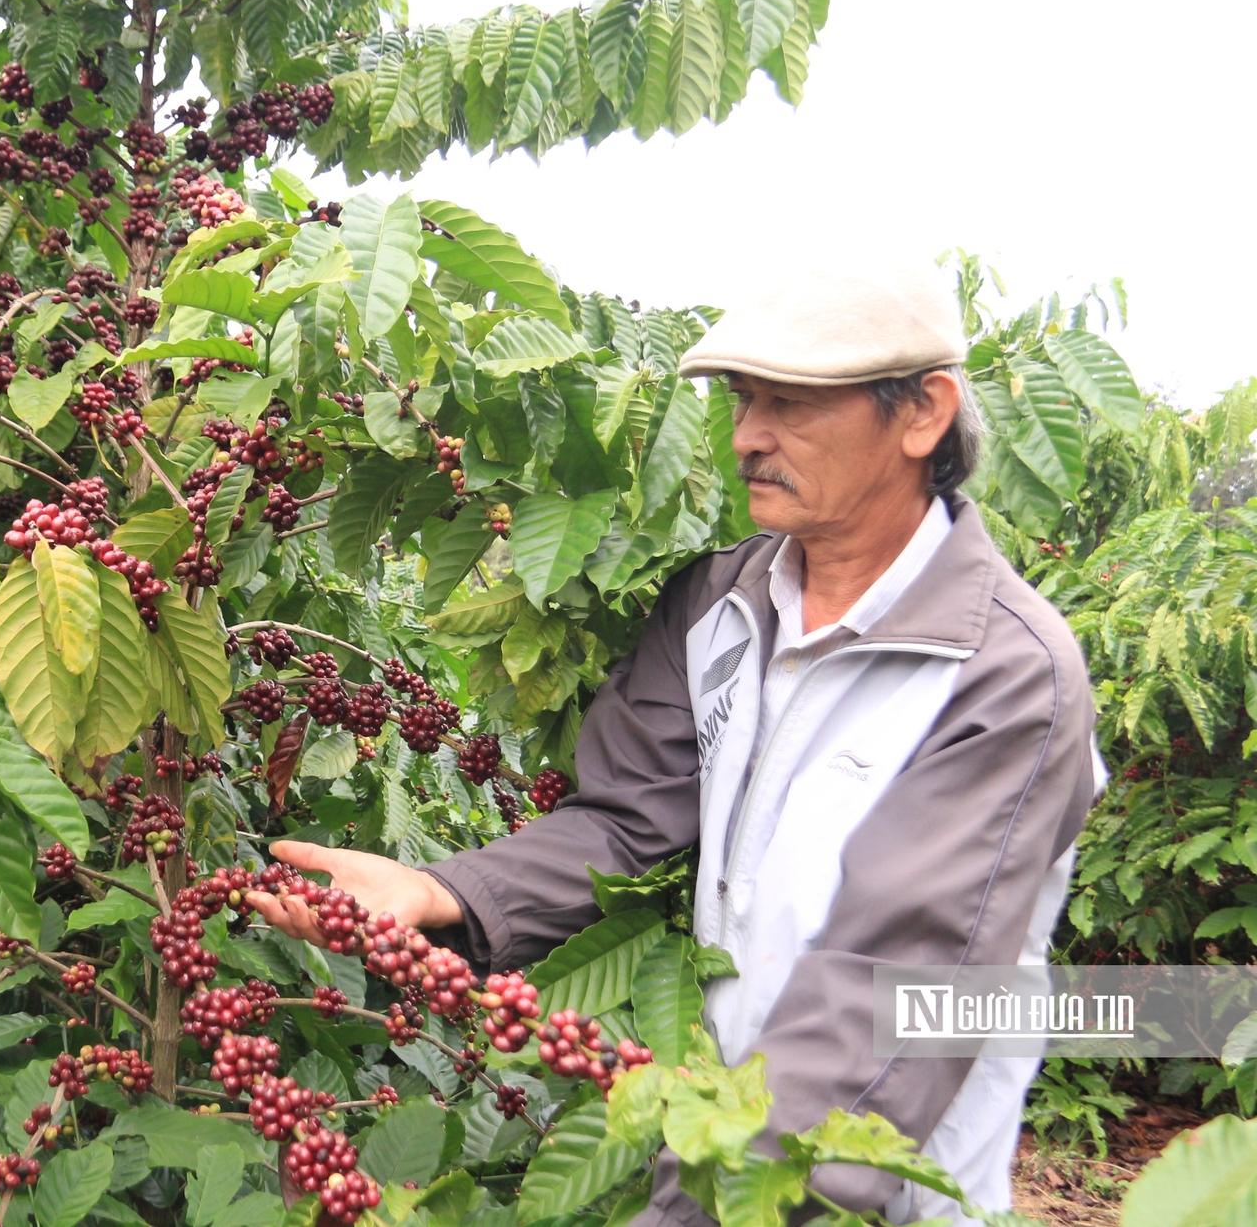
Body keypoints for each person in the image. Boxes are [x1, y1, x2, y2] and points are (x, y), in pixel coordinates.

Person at [246, 264, 1101, 1224]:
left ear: (921, 416)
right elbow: (622, 821)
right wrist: (444, 893)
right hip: (719, 1136)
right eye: (742, 401)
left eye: (790, 404)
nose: (746, 436)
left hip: (872, 1184)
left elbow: (893, 1006)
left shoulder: (1004, 674)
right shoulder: (719, 603)